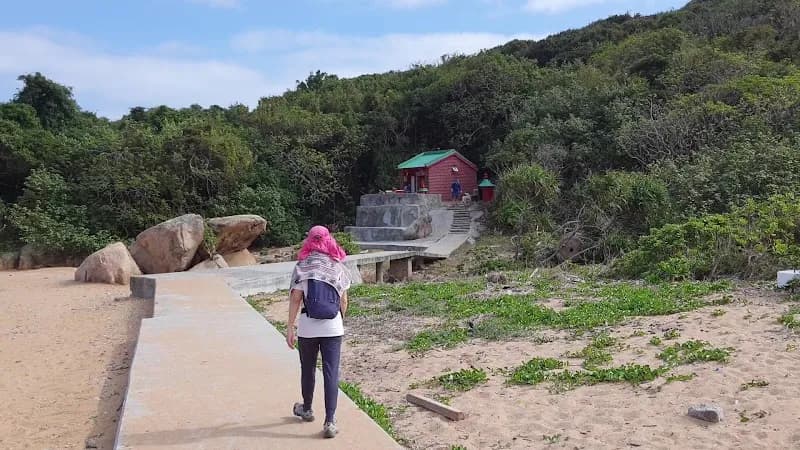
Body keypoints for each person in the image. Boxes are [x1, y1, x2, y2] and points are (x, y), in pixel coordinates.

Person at [287, 225, 351, 439]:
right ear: (328, 239)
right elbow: (343, 300)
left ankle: (306, 409)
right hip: (333, 327)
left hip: (307, 327)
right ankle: (330, 421)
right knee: (331, 372)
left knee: (308, 369)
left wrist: (290, 327)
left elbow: (296, 298)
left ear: (309, 240)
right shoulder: (337, 265)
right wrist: (340, 322)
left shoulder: (303, 266)